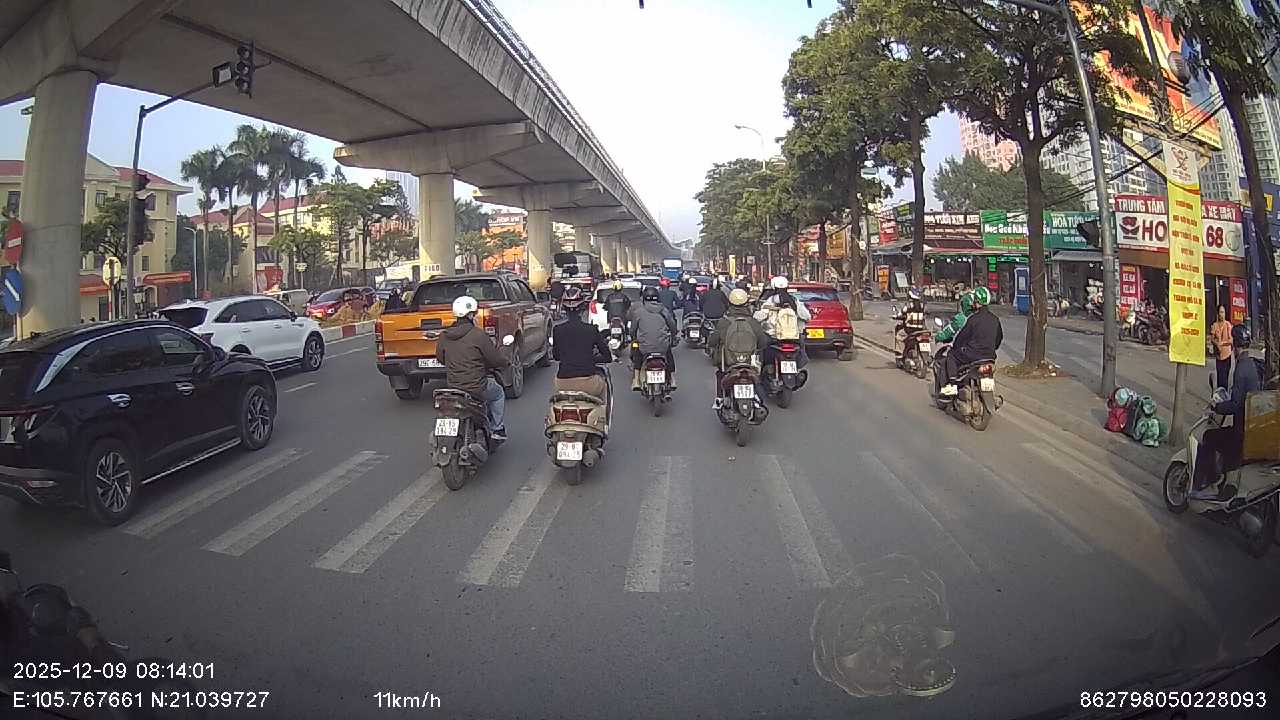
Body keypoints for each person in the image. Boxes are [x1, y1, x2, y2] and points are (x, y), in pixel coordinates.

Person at [1193, 324, 1262, 499]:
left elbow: (1235, 405)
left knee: (1209, 437)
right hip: (1250, 426)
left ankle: (1210, 483)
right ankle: (1223, 480)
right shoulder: (1251, 365)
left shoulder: (1241, 368)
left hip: (1241, 430)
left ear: (1235, 345)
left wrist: (1217, 407)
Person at [437, 296, 511, 440]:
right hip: (477, 387)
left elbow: (441, 358)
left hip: (453, 388)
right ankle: (497, 429)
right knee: (498, 394)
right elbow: (494, 359)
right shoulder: (478, 335)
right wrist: (505, 363)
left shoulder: (444, 336)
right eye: (474, 314)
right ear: (470, 315)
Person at [551, 286, 613, 431]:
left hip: (562, 383)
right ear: (582, 309)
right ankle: (603, 423)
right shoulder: (591, 330)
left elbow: (556, 356)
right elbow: (607, 357)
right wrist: (590, 358)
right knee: (604, 385)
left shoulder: (557, 330)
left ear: (564, 309)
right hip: (588, 383)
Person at [709, 288, 771, 409]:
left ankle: (719, 399)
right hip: (749, 362)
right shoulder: (753, 322)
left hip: (728, 363)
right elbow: (763, 342)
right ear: (746, 303)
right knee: (757, 378)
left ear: (729, 303)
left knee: (720, 374)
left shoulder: (724, 322)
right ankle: (757, 399)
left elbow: (713, 341)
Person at [940, 286, 1002, 396]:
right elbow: (999, 339)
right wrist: (991, 348)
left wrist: (955, 347)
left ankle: (952, 385)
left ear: (976, 301)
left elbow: (962, 337)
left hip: (973, 356)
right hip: (990, 356)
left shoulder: (973, 319)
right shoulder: (995, 319)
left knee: (951, 355)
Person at [628, 286, 678, 391]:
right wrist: (674, 336)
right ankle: (673, 379)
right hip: (662, 346)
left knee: (637, 355)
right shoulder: (664, 310)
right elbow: (672, 325)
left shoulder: (638, 312)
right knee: (669, 354)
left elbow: (632, 330)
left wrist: (634, 338)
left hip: (644, 347)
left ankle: (636, 380)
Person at [894, 287, 928, 359]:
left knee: (898, 335)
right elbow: (926, 313)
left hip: (910, 330)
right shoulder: (922, 305)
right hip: (921, 329)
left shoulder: (909, 305)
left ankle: (899, 355)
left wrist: (897, 316)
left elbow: (901, 313)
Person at [1211, 305, 1233, 390]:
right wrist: (1216, 344)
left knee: (1225, 379)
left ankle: (1224, 394)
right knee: (1220, 378)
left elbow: (1231, 340)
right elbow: (1212, 338)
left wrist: (1222, 343)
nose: (1221, 314)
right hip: (1218, 356)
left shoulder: (1228, 325)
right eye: (1220, 312)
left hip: (1227, 355)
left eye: (1222, 312)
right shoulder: (1215, 325)